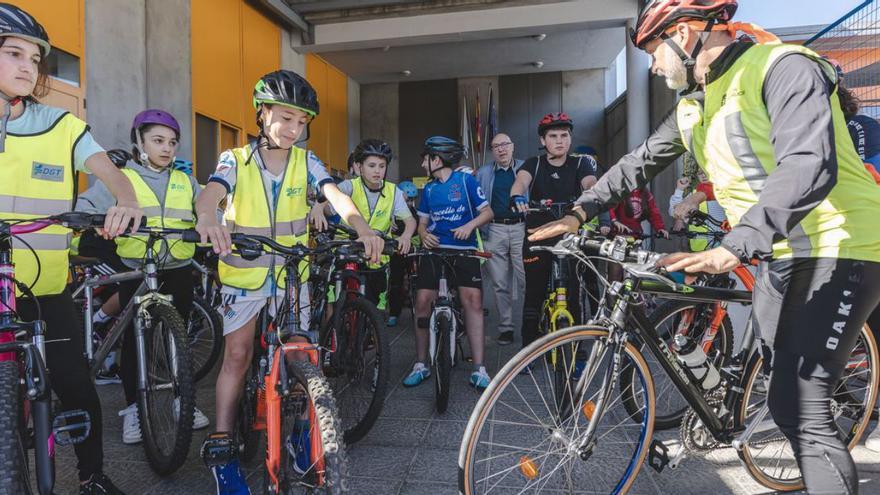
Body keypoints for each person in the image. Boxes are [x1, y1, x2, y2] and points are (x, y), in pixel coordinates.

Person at [530, 2, 880, 492]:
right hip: (780, 252)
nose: (652, 65)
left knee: (803, 405)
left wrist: (735, 245)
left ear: (688, 31)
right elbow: (640, 161)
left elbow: (808, 166)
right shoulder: (696, 103)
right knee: (782, 398)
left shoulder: (782, 67)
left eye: (654, 50)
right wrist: (579, 210)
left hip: (842, 245)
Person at [194, 69, 382, 494]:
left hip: (291, 276)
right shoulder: (235, 159)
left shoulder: (306, 160)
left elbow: (336, 195)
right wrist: (207, 216)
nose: (294, 129)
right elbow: (211, 193)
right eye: (284, 118)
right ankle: (222, 444)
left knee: (303, 355)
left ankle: (299, 426)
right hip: (243, 274)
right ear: (262, 114)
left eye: (301, 121)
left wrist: (363, 228)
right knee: (237, 356)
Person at [0, 4, 142, 493]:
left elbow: (112, 175)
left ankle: (92, 477)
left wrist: (125, 202)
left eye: (35, 59)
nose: (27, 66)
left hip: (45, 290)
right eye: (13, 53)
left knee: (76, 385)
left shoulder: (62, 125)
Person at [75, 109, 210, 445]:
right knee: (136, 341)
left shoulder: (185, 181)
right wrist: (93, 222)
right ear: (139, 141)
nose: (166, 148)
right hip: (135, 268)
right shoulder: (122, 178)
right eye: (158, 140)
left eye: (172, 142)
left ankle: (183, 400)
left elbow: (210, 207)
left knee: (177, 339)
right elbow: (86, 205)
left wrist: (216, 220)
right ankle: (134, 408)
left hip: (177, 269)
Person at [405, 136, 494, 390]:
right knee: (422, 302)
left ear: (438, 159)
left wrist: (468, 227)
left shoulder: (466, 181)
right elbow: (422, 222)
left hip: (465, 251)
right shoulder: (429, 189)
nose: (423, 164)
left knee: (472, 302)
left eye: (426, 158)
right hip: (434, 251)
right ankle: (421, 364)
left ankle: (479, 369)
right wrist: (423, 234)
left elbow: (487, 212)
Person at [509, 113, 598, 353]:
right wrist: (517, 195)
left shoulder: (582, 163)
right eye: (553, 136)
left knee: (574, 292)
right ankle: (527, 350)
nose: (559, 141)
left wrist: (591, 192)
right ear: (543, 139)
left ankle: (576, 348)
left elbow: (590, 183)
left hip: (570, 235)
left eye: (564, 135)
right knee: (535, 292)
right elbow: (521, 182)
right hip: (538, 233)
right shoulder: (533, 164)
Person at [312, 138, 417, 311]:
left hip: (377, 255)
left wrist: (406, 236)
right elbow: (332, 195)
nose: (377, 171)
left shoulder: (393, 192)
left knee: (375, 309)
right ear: (359, 166)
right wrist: (318, 207)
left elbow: (410, 220)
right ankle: (334, 334)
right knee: (334, 302)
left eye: (382, 166)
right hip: (346, 251)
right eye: (372, 165)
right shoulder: (349, 185)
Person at [475, 132, 525, 345]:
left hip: (522, 228)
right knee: (499, 283)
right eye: (496, 146)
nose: (501, 149)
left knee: (526, 280)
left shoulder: (525, 168)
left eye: (505, 144)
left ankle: (532, 324)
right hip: (494, 230)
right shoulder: (484, 173)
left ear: (512, 147)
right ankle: (506, 327)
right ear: (492, 151)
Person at [387, 180, 420, 327]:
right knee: (396, 282)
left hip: (413, 251)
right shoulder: (391, 212)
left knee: (417, 281)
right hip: (396, 252)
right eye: (407, 200)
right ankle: (394, 313)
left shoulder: (414, 213)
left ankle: (419, 311)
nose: (409, 203)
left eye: (412, 200)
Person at [668, 169, 727, 251]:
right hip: (701, 250)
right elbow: (673, 211)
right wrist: (679, 190)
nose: (703, 175)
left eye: (706, 172)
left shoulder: (724, 192)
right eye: (700, 173)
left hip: (725, 245)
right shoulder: (693, 195)